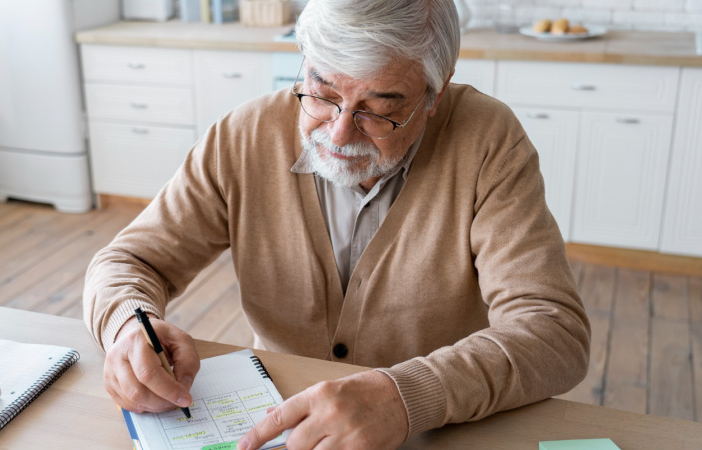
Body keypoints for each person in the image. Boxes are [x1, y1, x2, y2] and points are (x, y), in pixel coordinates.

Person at [83, 0, 591, 448]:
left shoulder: (488, 141)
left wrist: (405, 396)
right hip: (280, 419)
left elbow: (553, 331)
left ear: (436, 94)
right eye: (322, 92)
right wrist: (128, 323)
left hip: (435, 427)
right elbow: (130, 260)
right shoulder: (244, 135)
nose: (340, 130)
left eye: (379, 109)